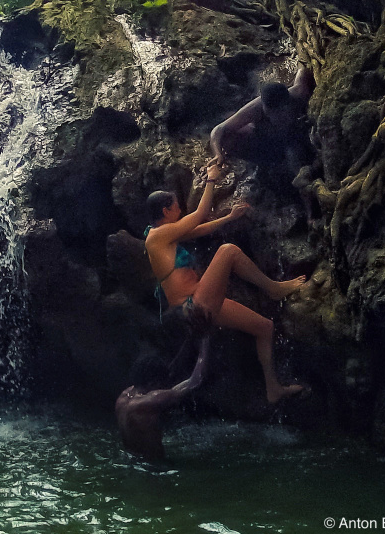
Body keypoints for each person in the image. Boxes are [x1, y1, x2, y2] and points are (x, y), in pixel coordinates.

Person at [144, 161, 304, 404]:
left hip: (201, 299)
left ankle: (273, 388)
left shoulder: (164, 234)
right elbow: (198, 216)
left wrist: (228, 218)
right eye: (176, 206)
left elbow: (198, 229)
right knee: (228, 251)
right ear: (166, 211)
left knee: (264, 328)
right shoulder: (156, 237)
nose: (180, 209)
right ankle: (273, 289)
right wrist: (211, 179)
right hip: (193, 307)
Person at [116, 334, 210, 460]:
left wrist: (190, 336)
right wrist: (206, 337)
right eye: (160, 384)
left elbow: (169, 370)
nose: (163, 387)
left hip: (131, 460)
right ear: (152, 383)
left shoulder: (123, 397)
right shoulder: (151, 401)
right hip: (153, 467)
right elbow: (196, 380)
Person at [209, 66, 316, 177]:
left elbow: (303, 70)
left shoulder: (299, 93)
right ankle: (267, 164)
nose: (275, 118)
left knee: (295, 160)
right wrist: (218, 154)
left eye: (280, 114)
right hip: (267, 138)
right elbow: (218, 129)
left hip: (293, 137)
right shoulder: (256, 108)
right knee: (228, 139)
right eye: (270, 114)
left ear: (287, 104)